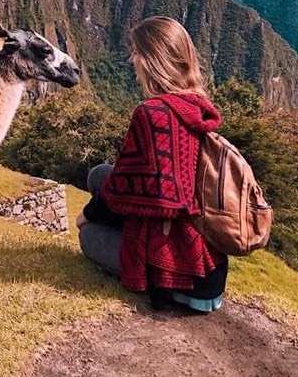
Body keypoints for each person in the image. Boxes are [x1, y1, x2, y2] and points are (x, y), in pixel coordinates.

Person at [77, 16, 228, 312]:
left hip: (182, 272)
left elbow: (120, 192)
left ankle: (156, 274)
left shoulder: (150, 114)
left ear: (152, 60)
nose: (132, 59)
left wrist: (85, 215)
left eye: (137, 52)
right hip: (212, 268)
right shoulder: (198, 106)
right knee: (99, 175)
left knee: (88, 235)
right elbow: (128, 180)